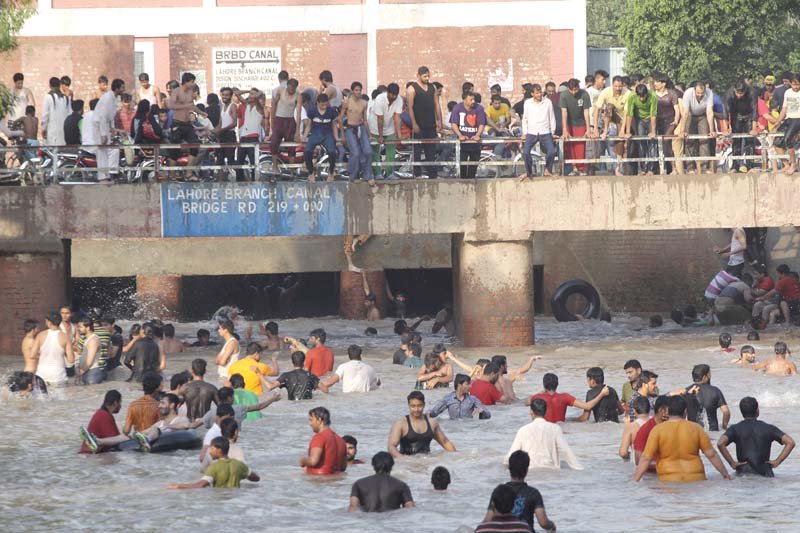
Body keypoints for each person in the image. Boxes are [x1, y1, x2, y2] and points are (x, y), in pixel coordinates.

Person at [633, 396, 731, 482]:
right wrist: (725, 475)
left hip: (669, 481)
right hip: (696, 481)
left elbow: (645, 459)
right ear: (685, 412)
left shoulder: (657, 430)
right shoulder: (696, 429)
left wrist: (635, 481)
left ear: (668, 411)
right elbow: (711, 454)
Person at [717, 396, 795, 477]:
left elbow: (720, 443)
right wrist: (777, 462)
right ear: (757, 410)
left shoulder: (735, 428)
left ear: (742, 412)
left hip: (743, 472)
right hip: (765, 473)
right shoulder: (769, 428)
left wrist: (732, 463)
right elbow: (790, 442)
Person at [484, 450, 556, 532]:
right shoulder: (533, 493)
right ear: (526, 470)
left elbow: (487, 520)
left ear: (509, 468)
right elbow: (543, 523)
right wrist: (552, 526)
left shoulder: (499, 492)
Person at [505, 398, 582, 470]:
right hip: (551, 472)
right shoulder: (555, 429)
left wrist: (505, 468)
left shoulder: (523, 430)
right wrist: (579, 468)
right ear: (546, 412)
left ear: (531, 412)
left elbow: (511, 455)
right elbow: (565, 451)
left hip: (530, 472)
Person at [169, 436, 260, 489]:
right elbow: (255, 478)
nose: (209, 451)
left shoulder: (214, 467)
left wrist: (179, 486)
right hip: (234, 502)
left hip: (219, 500)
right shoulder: (239, 465)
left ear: (219, 450)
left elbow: (200, 485)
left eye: (212, 449)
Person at [388, 391, 457, 456]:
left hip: (426, 462)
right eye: (413, 406)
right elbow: (391, 447)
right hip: (407, 465)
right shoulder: (401, 424)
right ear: (409, 406)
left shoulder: (432, 423)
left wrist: (458, 459)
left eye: (419, 405)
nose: (417, 409)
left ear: (424, 405)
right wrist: (403, 458)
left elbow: (445, 442)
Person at [527, 372, 609, 423]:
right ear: (557, 384)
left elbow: (527, 402)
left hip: (544, 428)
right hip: (561, 428)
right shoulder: (565, 397)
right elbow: (588, 406)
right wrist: (601, 394)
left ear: (544, 385)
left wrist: (541, 391)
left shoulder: (537, 397)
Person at [167, 72, 205, 180]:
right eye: (192, 82)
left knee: (195, 146)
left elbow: (192, 106)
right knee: (174, 151)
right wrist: (184, 106)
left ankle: (189, 173)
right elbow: (171, 105)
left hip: (188, 124)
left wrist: (201, 112)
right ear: (186, 81)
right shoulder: (176, 91)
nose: (193, 84)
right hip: (177, 123)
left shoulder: (190, 92)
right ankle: (172, 175)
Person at [348, 451, 414, 512]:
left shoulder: (359, 484)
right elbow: (410, 508)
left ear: (373, 465)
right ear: (392, 465)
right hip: (392, 521)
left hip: (368, 521)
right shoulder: (401, 485)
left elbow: (353, 508)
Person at [407, 66, 442, 179]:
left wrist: (439, 120)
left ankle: (432, 175)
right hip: (419, 125)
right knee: (417, 150)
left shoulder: (433, 87)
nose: (427, 78)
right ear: (418, 75)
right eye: (425, 76)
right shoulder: (412, 89)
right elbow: (410, 108)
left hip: (431, 125)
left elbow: (437, 104)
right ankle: (417, 174)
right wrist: (414, 123)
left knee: (431, 151)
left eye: (428, 76)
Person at [677, 80, 716, 174]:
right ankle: (690, 167)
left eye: (702, 93)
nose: (700, 95)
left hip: (703, 116)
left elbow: (709, 112)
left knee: (704, 139)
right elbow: (685, 113)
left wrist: (712, 130)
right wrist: (682, 130)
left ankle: (704, 167)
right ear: (694, 90)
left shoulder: (709, 93)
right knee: (688, 139)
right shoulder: (687, 93)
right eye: (698, 93)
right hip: (690, 114)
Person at [520, 83, 557, 179]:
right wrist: (525, 133)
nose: (539, 95)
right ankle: (529, 172)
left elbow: (551, 117)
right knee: (526, 152)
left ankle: (547, 170)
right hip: (532, 132)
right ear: (532, 94)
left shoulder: (547, 102)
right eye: (537, 93)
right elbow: (525, 119)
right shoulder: (527, 103)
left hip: (545, 131)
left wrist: (552, 132)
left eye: (540, 92)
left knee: (551, 152)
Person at [340, 81, 373, 183]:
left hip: (361, 127)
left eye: (359, 90)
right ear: (352, 91)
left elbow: (365, 120)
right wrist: (342, 135)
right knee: (355, 153)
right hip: (350, 128)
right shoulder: (347, 102)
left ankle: (368, 176)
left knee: (368, 151)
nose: (358, 92)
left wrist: (369, 134)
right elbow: (340, 118)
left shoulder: (364, 103)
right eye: (356, 90)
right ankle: (353, 176)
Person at [301, 93, 339, 182]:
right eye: (322, 105)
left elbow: (334, 125)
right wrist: (305, 136)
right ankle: (311, 173)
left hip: (327, 135)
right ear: (317, 103)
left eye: (326, 104)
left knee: (332, 152)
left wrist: (336, 137)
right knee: (307, 151)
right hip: (315, 134)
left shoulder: (331, 111)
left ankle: (331, 172)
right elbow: (309, 125)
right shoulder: (312, 111)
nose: (324, 107)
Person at [449, 91, 487, 179]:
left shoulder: (479, 108)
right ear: (464, 100)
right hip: (462, 143)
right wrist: (459, 135)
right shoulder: (457, 108)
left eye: (474, 99)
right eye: (471, 99)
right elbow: (454, 124)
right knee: (462, 164)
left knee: (473, 165)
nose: (473, 101)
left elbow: (482, 124)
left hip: (475, 143)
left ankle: (471, 182)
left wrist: (477, 135)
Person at [300, 406, 347, 475]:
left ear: (319, 420)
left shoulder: (320, 437)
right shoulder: (341, 440)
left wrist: (302, 461)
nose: (310, 424)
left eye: (311, 420)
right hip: (335, 480)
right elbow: (343, 467)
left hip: (319, 480)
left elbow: (313, 461)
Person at [369, 82, 403, 178]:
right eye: (392, 94)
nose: (393, 97)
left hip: (389, 127)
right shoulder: (379, 99)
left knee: (391, 150)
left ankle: (389, 173)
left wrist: (399, 135)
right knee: (375, 151)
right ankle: (378, 174)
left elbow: (397, 117)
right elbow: (380, 118)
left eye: (395, 95)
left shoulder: (399, 99)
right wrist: (380, 136)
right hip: (375, 127)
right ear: (387, 92)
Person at [31, 311, 74, 385]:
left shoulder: (40, 335)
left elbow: (32, 355)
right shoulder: (65, 337)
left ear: (49, 322)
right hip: (58, 375)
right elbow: (71, 359)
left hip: (42, 374)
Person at [623, 83, 658, 175]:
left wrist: (653, 131)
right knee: (641, 143)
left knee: (652, 143)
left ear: (647, 93)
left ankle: (651, 169)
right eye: (640, 96)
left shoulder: (653, 96)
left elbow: (653, 115)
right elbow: (629, 114)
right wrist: (627, 132)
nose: (642, 99)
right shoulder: (632, 96)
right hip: (639, 120)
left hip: (650, 118)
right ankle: (643, 168)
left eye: (643, 96)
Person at [560, 78, 593, 175]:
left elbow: (586, 111)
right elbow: (564, 112)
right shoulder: (564, 95)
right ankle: (573, 168)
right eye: (572, 90)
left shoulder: (584, 94)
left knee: (580, 146)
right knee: (570, 146)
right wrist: (565, 129)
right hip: (569, 122)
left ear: (579, 87)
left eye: (576, 89)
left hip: (581, 122)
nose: (574, 92)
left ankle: (581, 169)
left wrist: (588, 129)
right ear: (568, 89)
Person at [270, 78, 301, 176]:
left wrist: (297, 131)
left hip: (289, 121)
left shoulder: (298, 95)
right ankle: (275, 166)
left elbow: (299, 113)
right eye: (291, 88)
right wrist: (272, 121)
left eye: (294, 88)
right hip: (279, 119)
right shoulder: (280, 91)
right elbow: (274, 105)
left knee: (291, 147)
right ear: (287, 86)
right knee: (274, 143)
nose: (292, 90)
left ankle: (291, 170)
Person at [686, 364, 730, 431]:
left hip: (693, 431)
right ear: (704, 377)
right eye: (709, 374)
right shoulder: (715, 391)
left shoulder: (688, 391)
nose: (710, 376)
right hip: (713, 431)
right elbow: (726, 412)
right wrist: (724, 426)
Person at [773, 72, 800, 174]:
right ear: (790, 83)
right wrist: (778, 121)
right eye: (794, 84)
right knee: (777, 143)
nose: (796, 87)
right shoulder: (787, 92)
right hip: (789, 118)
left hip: (798, 118)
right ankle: (786, 165)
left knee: (788, 139)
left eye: (798, 84)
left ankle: (793, 164)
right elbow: (784, 109)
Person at [632, 395, 669, 466]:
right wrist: (663, 465)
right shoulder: (645, 430)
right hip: (650, 476)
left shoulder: (671, 427)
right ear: (662, 411)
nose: (673, 415)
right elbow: (639, 461)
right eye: (671, 412)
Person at [75, 317, 107, 385]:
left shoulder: (93, 340)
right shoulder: (88, 338)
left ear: (88, 328)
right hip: (88, 372)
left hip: (93, 373)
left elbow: (89, 362)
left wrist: (80, 372)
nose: (78, 329)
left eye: (80, 327)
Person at [41, 76, 71, 147]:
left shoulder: (48, 97)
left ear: (50, 85)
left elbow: (45, 116)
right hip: (64, 133)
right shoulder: (66, 98)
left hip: (52, 133)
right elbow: (69, 114)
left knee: (53, 155)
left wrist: (43, 129)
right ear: (59, 85)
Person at [619, 396, 651, 461]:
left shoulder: (631, 427)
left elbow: (623, 453)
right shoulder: (657, 423)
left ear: (634, 410)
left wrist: (630, 456)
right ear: (649, 409)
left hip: (637, 465)